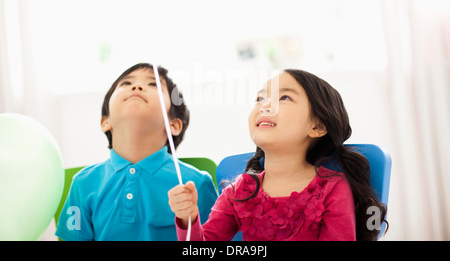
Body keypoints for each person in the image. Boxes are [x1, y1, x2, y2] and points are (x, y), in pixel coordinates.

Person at [168, 69, 388, 241]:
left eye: (284, 98)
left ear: (318, 126)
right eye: (259, 99)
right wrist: (188, 219)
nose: (265, 106)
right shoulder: (238, 192)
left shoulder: (332, 189)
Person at [55, 63, 218, 241]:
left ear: (173, 124)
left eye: (153, 84)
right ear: (105, 122)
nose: (137, 87)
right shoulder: (83, 183)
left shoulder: (197, 184)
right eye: (126, 84)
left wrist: (190, 221)